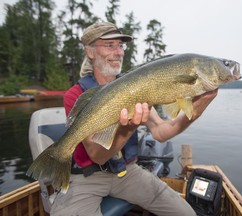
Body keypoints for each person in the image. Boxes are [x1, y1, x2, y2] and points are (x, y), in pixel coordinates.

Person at [50, 21, 218, 216]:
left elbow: (161, 132)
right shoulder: (76, 95)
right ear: (90, 51)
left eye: (120, 45)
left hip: (128, 171)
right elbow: (98, 155)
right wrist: (129, 128)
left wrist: (192, 115)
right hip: (88, 177)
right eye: (109, 45)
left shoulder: (137, 85)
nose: (119, 52)